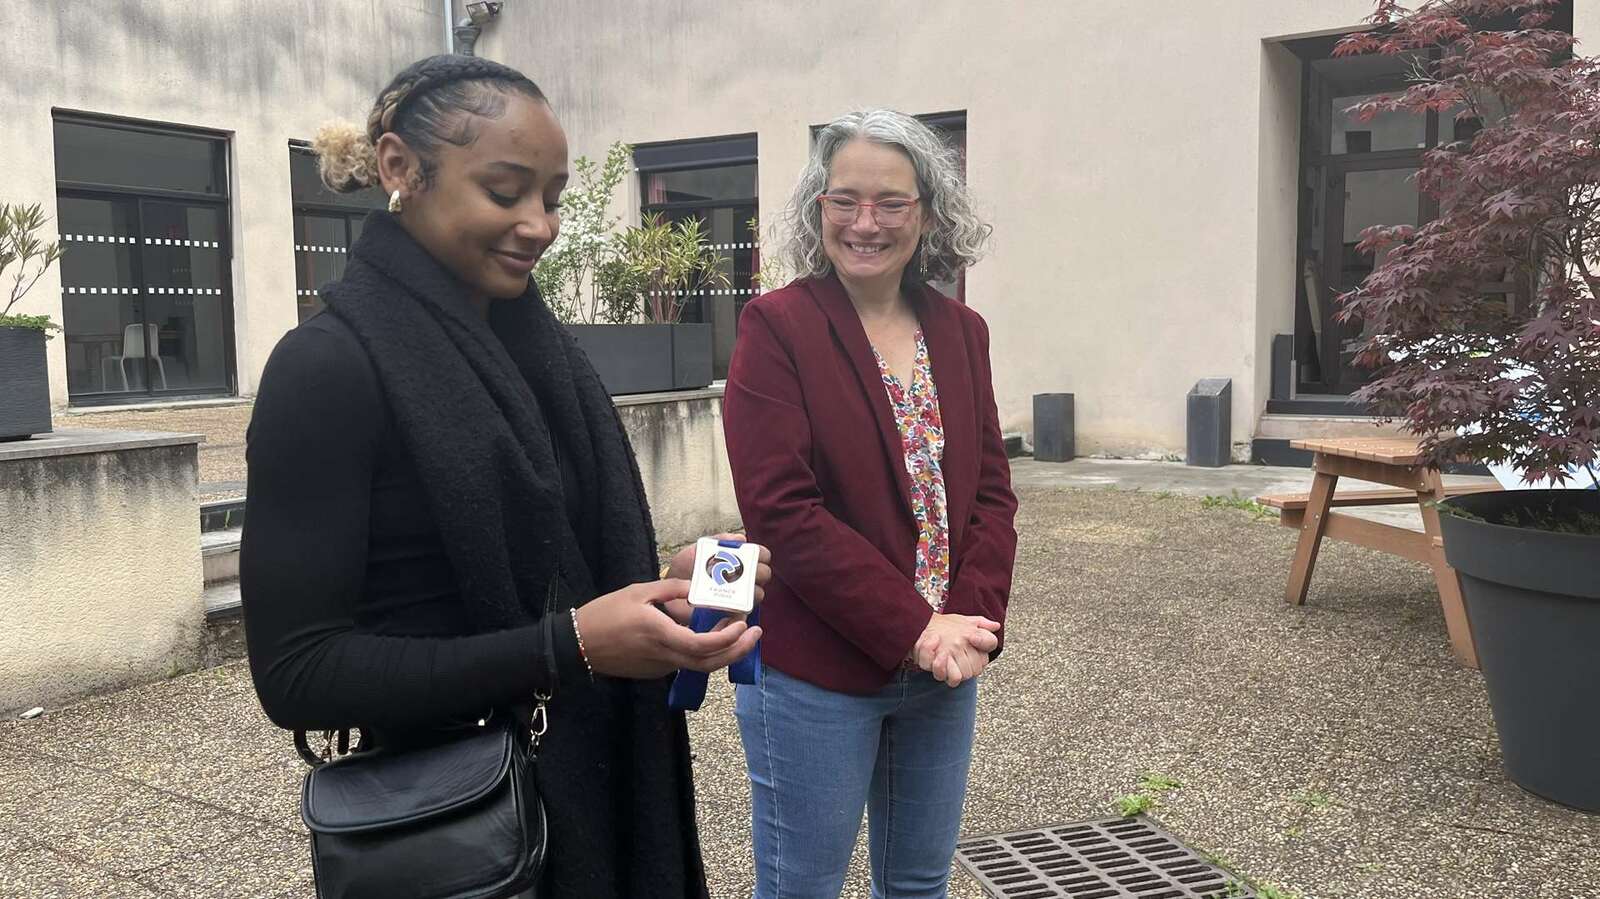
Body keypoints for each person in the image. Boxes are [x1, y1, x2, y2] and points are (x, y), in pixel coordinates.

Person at [239, 54, 767, 899]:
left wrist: (659, 590)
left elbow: (550, 573)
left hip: (604, 805)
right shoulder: (328, 368)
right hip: (461, 828)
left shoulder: (544, 355)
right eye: (505, 191)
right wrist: (573, 645)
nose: (541, 223)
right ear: (398, 169)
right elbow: (298, 673)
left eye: (553, 196)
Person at [723, 108, 1019, 899]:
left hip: (944, 667)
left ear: (927, 212)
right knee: (801, 887)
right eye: (844, 199)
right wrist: (916, 627)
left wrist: (971, 622)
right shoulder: (775, 326)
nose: (865, 222)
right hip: (817, 673)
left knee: (920, 885)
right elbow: (783, 511)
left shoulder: (963, 331)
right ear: (816, 206)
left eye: (891, 201)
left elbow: (990, 492)